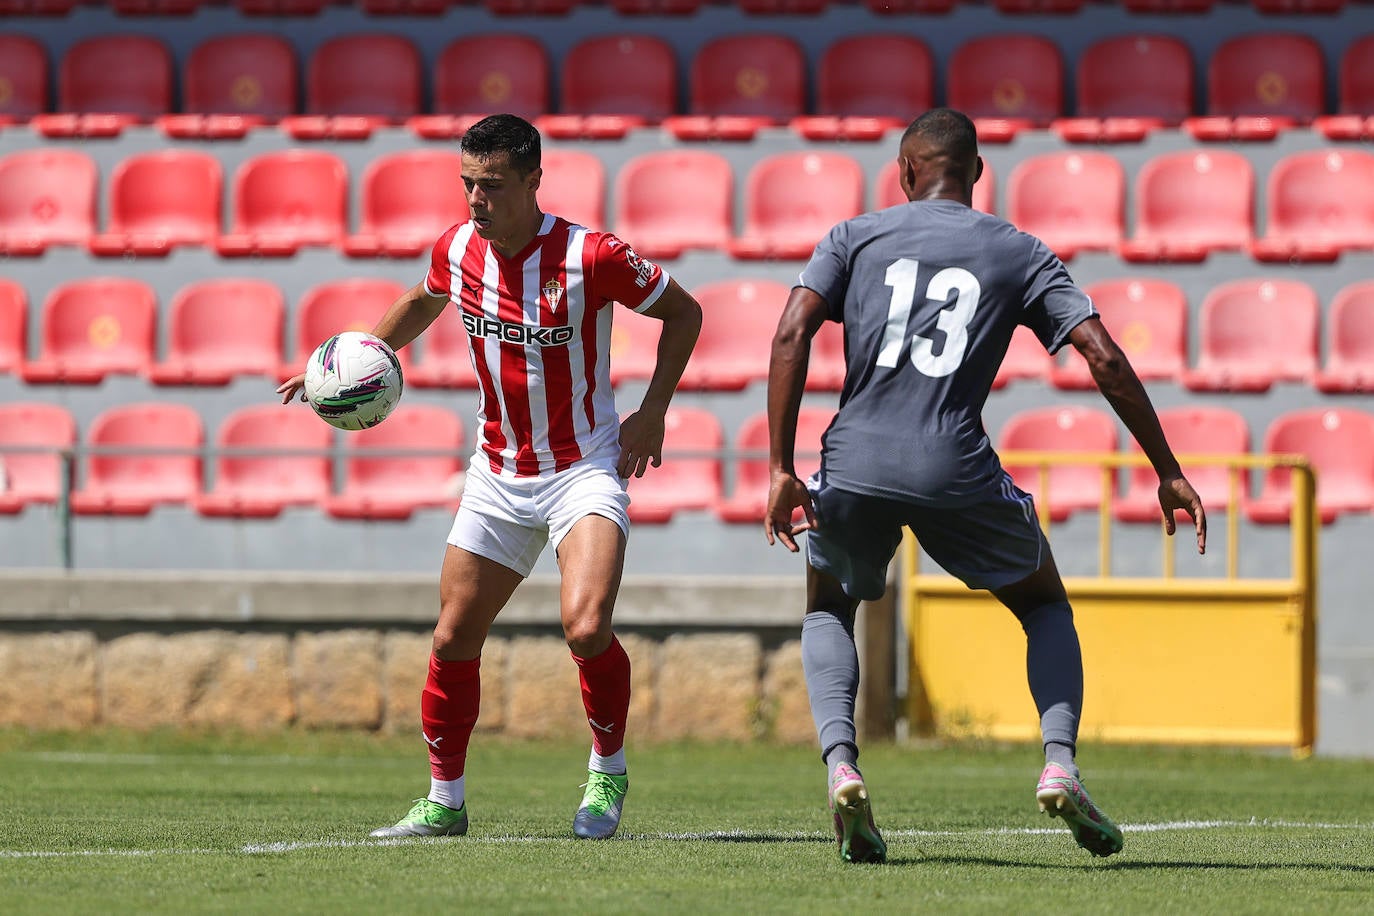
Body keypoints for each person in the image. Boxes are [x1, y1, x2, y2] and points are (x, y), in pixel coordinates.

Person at [764, 108, 1206, 864]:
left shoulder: (853, 237)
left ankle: (842, 767)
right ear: (976, 174)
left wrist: (779, 466)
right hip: (954, 465)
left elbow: (789, 334)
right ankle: (1059, 762)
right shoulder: (1020, 251)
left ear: (906, 172)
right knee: (1041, 604)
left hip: (856, 463)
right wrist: (1165, 468)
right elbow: (1101, 354)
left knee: (830, 608)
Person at [279, 114, 702, 840]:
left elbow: (685, 312)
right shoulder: (458, 248)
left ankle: (608, 770)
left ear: (535, 179)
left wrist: (653, 410)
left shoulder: (590, 256)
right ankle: (445, 801)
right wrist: (345, 365)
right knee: (450, 640)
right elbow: (421, 300)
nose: (478, 200)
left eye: (494, 186)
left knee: (587, 625)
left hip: (583, 468)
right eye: (469, 184)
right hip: (498, 474)